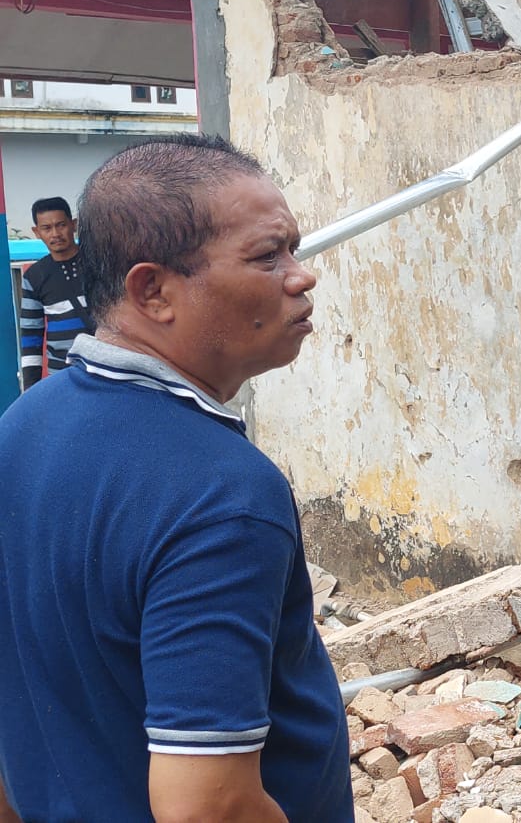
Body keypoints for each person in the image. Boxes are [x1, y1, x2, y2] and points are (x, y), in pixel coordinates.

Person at [0, 134, 352, 821]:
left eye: (294, 248)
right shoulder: (219, 495)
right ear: (153, 290)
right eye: (266, 255)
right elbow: (207, 807)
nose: (300, 275)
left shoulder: (20, 431)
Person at [19, 196, 96, 389]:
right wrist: (31, 389)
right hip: (62, 375)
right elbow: (30, 336)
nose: (55, 233)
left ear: (73, 224)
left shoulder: (98, 264)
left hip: (106, 368)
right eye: (46, 228)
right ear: (37, 232)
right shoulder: (34, 276)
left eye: (61, 225)